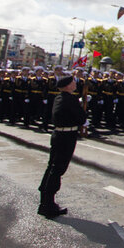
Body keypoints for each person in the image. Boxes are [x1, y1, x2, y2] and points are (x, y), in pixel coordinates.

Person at [37, 76, 87, 219]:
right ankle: (47, 205)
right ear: (67, 86)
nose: (75, 84)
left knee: (52, 167)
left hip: (61, 135)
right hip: (66, 136)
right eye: (73, 82)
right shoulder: (68, 99)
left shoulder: (62, 98)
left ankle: (46, 201)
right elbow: (80, 117)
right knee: (57, 169)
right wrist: (81, 112)